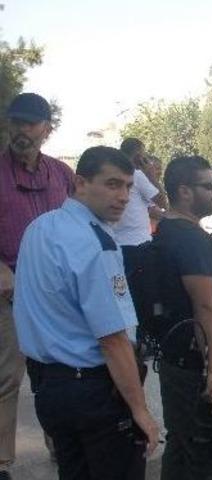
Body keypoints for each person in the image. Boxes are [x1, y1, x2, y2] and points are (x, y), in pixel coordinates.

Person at [13, 146, 159, 479]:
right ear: (80, 183)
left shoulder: (40, 227)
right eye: (112, 184)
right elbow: (114, 340)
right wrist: (140, 411)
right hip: (93, 393)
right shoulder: (96, 244)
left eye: (127, 187)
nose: (122, 196)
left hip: (50, 389)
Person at [0, 93, 76, 478]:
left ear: (47, 128)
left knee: (56, 373)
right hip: (9, 294)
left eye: (30, 123)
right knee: (6, 378)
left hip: (55, 294)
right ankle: (1, 462)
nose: (21, 131)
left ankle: (61, 442)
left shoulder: (61, 174)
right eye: (16, 122)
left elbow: (79, 223)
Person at [153, 156, 212, 480]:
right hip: (194, 364)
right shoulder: (191, 238)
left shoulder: (167, 227)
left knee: (181, 441)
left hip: (175, 358)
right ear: (185, 191)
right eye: (208, 185)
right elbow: (205, 309)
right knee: (206, 450)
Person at [115, 139, 167, 351]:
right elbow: (163, 201)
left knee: (123, 295)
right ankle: (144, 339)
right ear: (139, 155)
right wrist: (151, 175)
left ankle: (129, 339)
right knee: (145, 296)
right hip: (139, 246)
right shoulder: (137, 176)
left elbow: (148, 209)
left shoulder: (116, 175)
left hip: (117, 246)